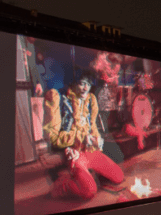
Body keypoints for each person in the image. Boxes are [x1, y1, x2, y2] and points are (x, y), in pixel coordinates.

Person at [43, 69, 124, 200]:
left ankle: (86, 175)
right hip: (74, 154)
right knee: (89, 191)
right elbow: (53, 138)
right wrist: (78, 138)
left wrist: (97, 140)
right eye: (81, 83)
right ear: (73, 83)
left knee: (118, 177)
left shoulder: (91, 100)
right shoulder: (60, 99)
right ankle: (62, 183)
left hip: (90, 151)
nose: (86, 87)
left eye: (88, 83)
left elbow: (93, 128)